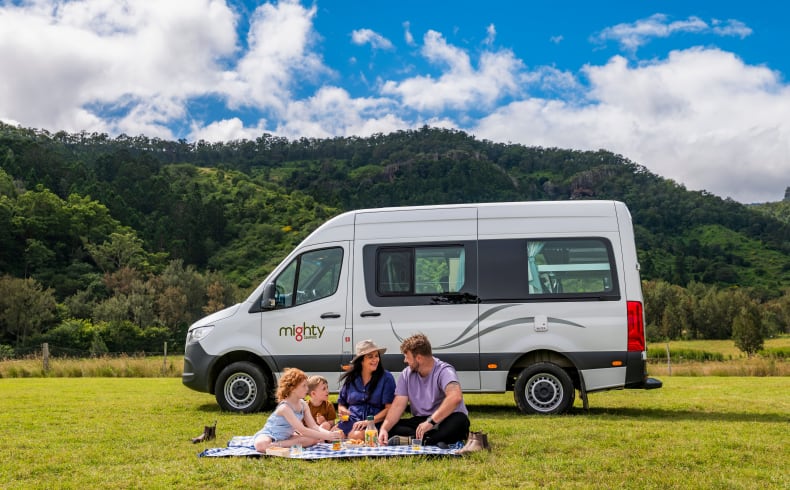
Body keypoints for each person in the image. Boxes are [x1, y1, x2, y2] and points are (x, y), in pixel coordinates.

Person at [377, 333, 470, 447]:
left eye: (407, 357)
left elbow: (455, 397)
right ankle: (433, 440)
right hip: (421, 421)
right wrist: (384, 429)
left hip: (446, 418)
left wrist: (431, 422)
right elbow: (397, 406)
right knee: (386, 427)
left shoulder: (444, 370)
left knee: (460, 421)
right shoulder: (406, 374)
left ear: (419, 358)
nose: (405, 361)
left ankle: (421, 440)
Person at [253, 368, 342, 453]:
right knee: (261, 445)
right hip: (270, 435)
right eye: (304, 386)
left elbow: (314, 426)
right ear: (293, 388)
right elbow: (302, 430)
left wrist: (330, 434)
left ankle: (275, 446)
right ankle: (274, 445)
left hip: (287, 437)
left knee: (313, 439)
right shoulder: (285, 407)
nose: (307, 389)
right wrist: (327, 436)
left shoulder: (303, 404)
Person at [336, 339, 396, 440]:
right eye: (370, 357)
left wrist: (368, 422)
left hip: (373, 423)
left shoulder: (386, 378)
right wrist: (343, 411)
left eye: (376, 356)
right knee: (333, 435)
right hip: (351, 420)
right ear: (361, 361)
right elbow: (341, 403)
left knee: (356, 436)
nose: (375, 360)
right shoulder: (351, 378)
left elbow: (389, 409)